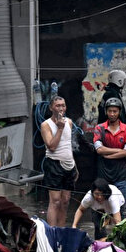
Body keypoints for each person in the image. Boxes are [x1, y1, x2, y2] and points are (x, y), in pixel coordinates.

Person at [41, 96, 77, 227]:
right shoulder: (46, 125)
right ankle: (52, 231)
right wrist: (60, 128)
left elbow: (68, 145)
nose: (61, 108)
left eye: (63, 105)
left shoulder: (69, 122)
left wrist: (74, 166)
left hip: (68, 164)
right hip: (54, 164)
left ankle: (61, 229)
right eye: (57, 106)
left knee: (65, 201)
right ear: (51, 108)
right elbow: (52, 146)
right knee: (55, 200)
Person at [94, 97, 126, 211]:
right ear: (106, 112)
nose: (112, 114)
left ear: (119, 112)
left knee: (122, 207)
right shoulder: (99, 128)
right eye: (110, 111)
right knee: (102, 208)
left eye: (115, 111)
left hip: (121, 175)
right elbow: (99, 150)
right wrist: (120, 151)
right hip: (104, 175)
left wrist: (108, 155)